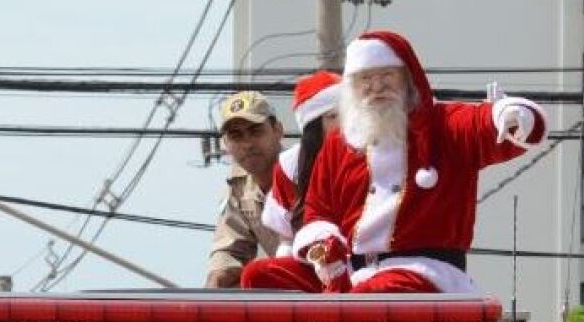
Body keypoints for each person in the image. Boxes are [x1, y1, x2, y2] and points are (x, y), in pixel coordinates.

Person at [242, 30, 548, 294]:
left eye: (386, 76)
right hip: (351, 269)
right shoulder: (340, 143)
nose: (376, 88)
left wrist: (510, 115)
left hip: (423, 271)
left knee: (368, 298)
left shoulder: (444, 125)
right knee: (260, 276)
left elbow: (485, 124)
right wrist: (324, 247)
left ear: (407, 78)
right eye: (365, 80)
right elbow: (318, 211)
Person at [205, 91, 284, 288]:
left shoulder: (304, 172)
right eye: (236, 136)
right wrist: (211, 293)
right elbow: (229, 253)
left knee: (258, 276)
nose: (247, 144)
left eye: (256, 131)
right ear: (225, 144)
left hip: (334, 284)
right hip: (292, 290)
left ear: (278, 130)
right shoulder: (239, 186)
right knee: (229, 285)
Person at [259, 70, 342, 257]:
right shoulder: (290, 168)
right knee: (257, 274)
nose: (344, 123)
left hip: (357, 259)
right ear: (313, 126)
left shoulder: (364, 155)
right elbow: (286, 238)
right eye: (333, 116)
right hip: (311, 259)